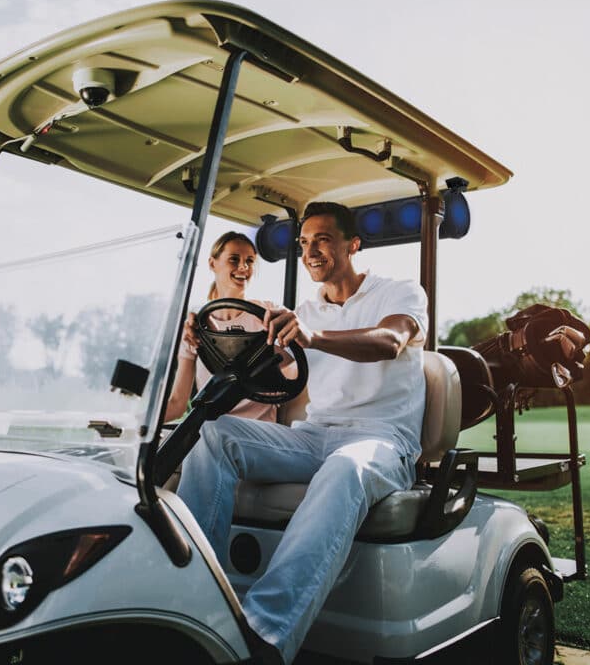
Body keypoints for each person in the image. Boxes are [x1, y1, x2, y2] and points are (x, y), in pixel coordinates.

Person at [176, 202, 428, 665]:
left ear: (353, 245)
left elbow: (391, 342)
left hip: (382, 439)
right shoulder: (305, 309)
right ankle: (194, 605)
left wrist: (313, 338)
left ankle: (264, 635)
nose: (311, 251)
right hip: (316, 434)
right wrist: (202, 343)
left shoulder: (400, 292)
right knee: (215, 435)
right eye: (305, 242)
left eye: (323, 240)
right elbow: (263, 371)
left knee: (344, 469)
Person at [165, 231, 284, 423]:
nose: (243, 267)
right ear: (213, 264)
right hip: (213, 428)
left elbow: (295, 360)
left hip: (258, 432)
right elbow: (178, 404)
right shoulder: (194, 327)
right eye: (234, 259)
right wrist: (133, 423)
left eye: (250, 261)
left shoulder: (270, 313)